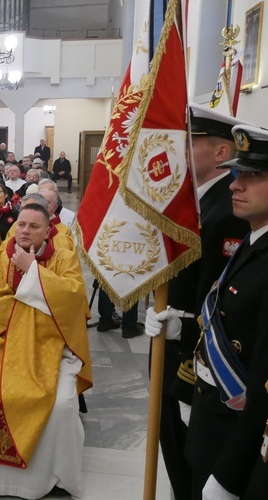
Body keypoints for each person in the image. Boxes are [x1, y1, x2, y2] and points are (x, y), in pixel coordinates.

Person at [143, 105, 250, 500]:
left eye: (190, 142)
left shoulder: (229, 210)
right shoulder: (195, 201)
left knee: (192, 460)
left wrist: (184, 326)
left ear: (221, 153)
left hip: (196, 356)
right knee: (173, 449)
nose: (178, 151)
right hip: (170, 342)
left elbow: (218, 297)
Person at [0, 203, 91, 499]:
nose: (25, 231)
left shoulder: (64, 258)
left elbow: (73, 301)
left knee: (61, 406)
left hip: (51, 347)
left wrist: (31, 271)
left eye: (33, 226)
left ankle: (52, 475)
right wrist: (40, 300)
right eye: (21, 225)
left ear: (47, 231)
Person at [164, 124, 268, 500]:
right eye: (238, 174)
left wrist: (229, 473)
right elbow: (225, 315)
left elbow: (262, 386)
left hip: (235, 431)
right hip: (213, 417)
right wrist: (184, 328)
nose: (235, 185)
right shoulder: (252, 241)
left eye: (253, 176)